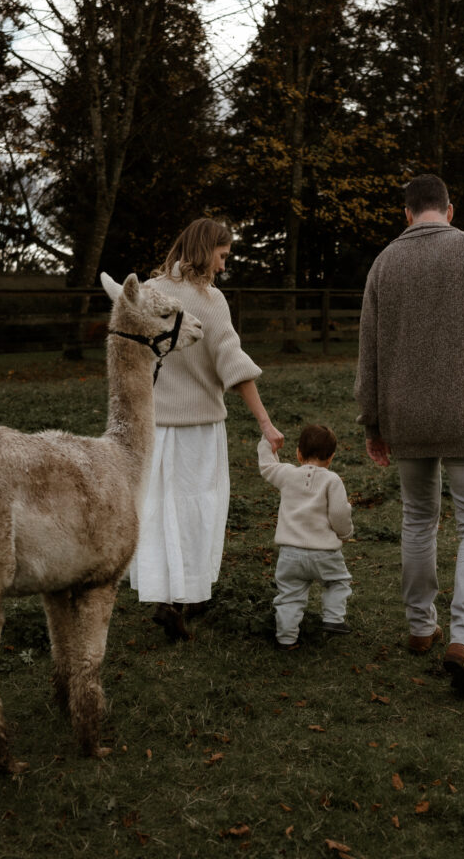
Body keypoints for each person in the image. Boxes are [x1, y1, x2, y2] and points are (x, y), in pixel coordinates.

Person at [354, 174, 464, 695]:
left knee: (418, 518)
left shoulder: (384, 263)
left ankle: (419, 626)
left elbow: (368, 352)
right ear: (449, 210)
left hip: (404, 416)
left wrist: (372, 421)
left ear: (407, 212)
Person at [129, 218, 284, 641]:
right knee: (198, 510)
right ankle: (187, 595)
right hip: (198, 429)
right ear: (204, 251)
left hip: (154, 427)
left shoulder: (145, 292)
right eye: (221, 257)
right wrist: (266, 423)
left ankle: (165, 595)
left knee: (159, 511)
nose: (223, 267)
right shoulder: (209, 300)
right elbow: (233, 366)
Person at [257, 424, 353, 650]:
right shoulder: (333, 480)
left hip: (290, 554)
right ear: (331, 458)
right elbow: (339, 513)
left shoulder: (287, 474)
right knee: (337, 582)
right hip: (325, 553)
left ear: (298, 453)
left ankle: (286, 639)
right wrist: (345, 533)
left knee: (289, 596)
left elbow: (267, 466)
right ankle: (333, 618)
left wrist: (266, 439)